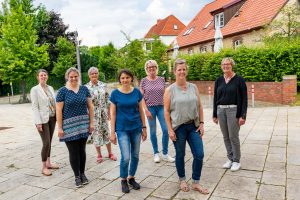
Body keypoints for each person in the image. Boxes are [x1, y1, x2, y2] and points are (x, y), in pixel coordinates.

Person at [164, 59, 209, 195]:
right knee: (180, 155)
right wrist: (170, 130)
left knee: (199, 154)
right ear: (175, 72)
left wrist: (201, 123)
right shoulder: (169, 90)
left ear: (186, 71)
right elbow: (166, 111)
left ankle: (195, 182)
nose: (182, 72)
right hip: (178, 128)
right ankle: (182, 179)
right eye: (179, 69)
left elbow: (200, 106)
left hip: (193, 126)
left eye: (184, 69)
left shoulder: (193, 87)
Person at [110, 69, 147, 193]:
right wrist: (112, 132)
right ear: (120, 80)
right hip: (122, 129)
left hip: (136, 128)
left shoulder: (137, 92)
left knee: (135, 155)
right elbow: (113, 114)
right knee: (126, 157)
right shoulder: (115, 94)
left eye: (127, 77)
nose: (125, 80)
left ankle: (131, 177)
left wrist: (144, 127)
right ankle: (123, 179)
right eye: (122, 78)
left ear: (131, 78)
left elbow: (141, 110)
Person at [56, 67, 94, 188]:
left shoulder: (84, 89)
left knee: (82, 151)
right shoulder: (62, 91)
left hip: (83, 124)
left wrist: (91, 123)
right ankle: (77, 176)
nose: (73, 78)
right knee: (73, 152)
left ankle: (83, 173)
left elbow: (91, 107)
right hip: (69, 127)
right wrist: (60, 128)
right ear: (67, 77)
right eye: (71, 76)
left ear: (79, 77)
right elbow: (58, 110)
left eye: (75, 76)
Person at [213, 57, 248, 172]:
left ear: (232, 65)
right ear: (221, 66)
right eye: (223, 64)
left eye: (227, 64)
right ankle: (230, 158)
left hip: (233, 111)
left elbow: (244, 99)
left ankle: (237, 161)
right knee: (226, 136)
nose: (225, 66)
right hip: (221, 110)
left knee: (233, 136)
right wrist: (215, 114)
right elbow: (215, 98)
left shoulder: (239, 80)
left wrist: (243, 115)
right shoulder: (218, 80)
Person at [140, 60, 174, 163]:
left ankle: (165, 153)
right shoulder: (143, 81)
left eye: (153, 66)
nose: (151, 68)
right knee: (153, 131)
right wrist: (145, 110)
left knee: (165, 130)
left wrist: (168, 108)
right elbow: (141, 97)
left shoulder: (161, 80)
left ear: (156, 67)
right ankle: (156, 153)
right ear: (147, 69)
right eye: (149, 67)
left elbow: (165, 95)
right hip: (150, 108)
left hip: (161, 107)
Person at [85, 67, 117, 163]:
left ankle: (110, 153)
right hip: (93, 114)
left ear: (98, 74)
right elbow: (86, 102)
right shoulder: (86, 87)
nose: (94, 75)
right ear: (89, 75)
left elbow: (108, 99)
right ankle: (99, 154)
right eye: (92, 74)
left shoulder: (103, 85)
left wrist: (109, 112)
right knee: (96, 133)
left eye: (96, 73)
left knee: (106, 131)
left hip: (103, 112)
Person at [30, 69, 59, 176]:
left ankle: (49, 163)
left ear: (47, 76)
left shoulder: (50, 88)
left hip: (52, 118)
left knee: (50, 141)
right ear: (38, 77)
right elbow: (34, 107)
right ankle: (43, 167)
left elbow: (54, 102)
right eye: (41, 75)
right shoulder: (35, 90)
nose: (43, 77)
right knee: (46, 143)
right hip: (42, 120)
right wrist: (38, 122)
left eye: (45, 75)